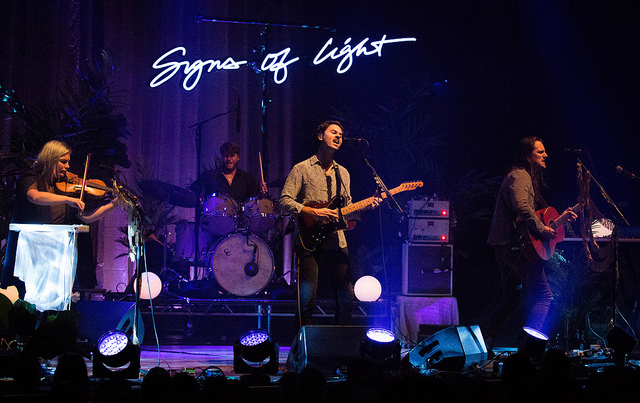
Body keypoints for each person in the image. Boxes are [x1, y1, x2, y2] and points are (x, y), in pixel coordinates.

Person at [279, 120, 381, 329]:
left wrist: (367, 207)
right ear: (320, 136)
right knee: (307, 299)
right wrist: (312, 211)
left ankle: (339, 344)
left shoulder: (343, 173)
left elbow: (347, 209)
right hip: (309, 240)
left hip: (337, 239)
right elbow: (284, 201)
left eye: (341, 135)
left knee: (346, 297)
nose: (338, 137)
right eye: (333, 132)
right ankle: (303, 346)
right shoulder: (302, 169)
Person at [485, 136, 577, 351]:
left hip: (509, 246)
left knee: (511, 298)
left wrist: (560, 219)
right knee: (545, 295)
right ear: (528, 155)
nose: (545, 155)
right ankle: (527, 347)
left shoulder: (524, 176)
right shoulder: (520, 175)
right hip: (515, 247)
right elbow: (522, 207)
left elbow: (534, 218)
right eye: (540, 152)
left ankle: (487, 340)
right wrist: (542, 228)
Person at [1, 140, 121, 299]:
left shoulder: (65, 186)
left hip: (54, 251)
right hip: (29, 248)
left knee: (51, 299)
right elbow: (34, 196)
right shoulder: (31, 176)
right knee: (24, 296)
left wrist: (114, 204)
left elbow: (86, 218)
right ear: (50, 159)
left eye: (68, 162)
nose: (67, 167)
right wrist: (66, 200)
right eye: (63, 162)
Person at [189, 141, 267, 203]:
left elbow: (254, 202)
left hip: (239, 221)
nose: (229, 159)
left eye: (232, 156)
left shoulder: (247, 178)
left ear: (238, 157)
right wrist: (199, 200)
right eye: (226, 156)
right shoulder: (210, 175)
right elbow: (191, 192)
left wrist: (262, 192)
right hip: (215, 220)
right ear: (222, 157)